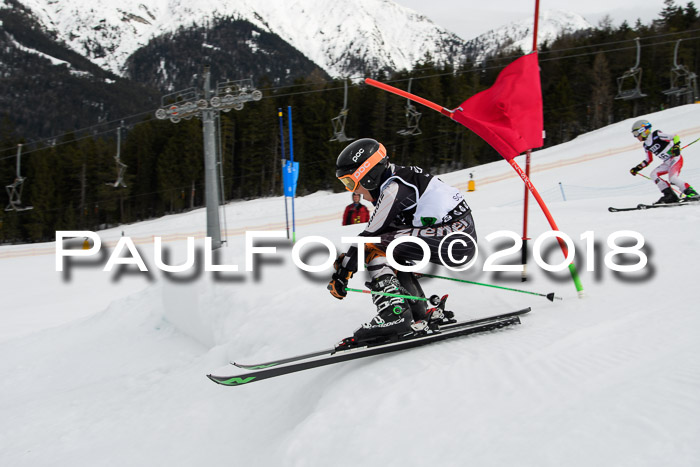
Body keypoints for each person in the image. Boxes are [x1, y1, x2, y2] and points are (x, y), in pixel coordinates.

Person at [328, 138, 477, 342]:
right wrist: (348, 263)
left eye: (351, 182)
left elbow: (369, 236)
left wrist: (343, 273)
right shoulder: (397, 180)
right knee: (388, 247)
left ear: (369, 176)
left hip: (454, 238)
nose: (353, 191)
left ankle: (394, 313)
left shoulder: (394, 188)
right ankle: (416, 311)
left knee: (374, 246)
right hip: (454, 235)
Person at [630, 119, 699, 204]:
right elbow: (648, 160)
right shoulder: (646, 145)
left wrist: (676, 146)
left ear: (643, 130)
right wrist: (637, 168)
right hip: (667, 162)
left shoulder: (656, 135)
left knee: (672, 178)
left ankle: (692, 193)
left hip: (675, 158)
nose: (636, 137)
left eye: (636, 134)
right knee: (653, 174)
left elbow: (674, 136)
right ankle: (670, 196)